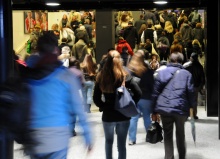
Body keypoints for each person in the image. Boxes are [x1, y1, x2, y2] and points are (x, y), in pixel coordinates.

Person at [23, 32, 93, 158]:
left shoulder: (27, 75)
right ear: (56, 50)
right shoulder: (65, 76)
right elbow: (78, 108)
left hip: (33, 137)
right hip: (58, 137)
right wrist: (87, 136)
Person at [93, 50, 142, 159]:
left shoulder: (101, 76)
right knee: (121, 145)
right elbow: (138, 93)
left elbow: (96, 98)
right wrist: (130, 103)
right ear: (120, 61)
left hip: (108, 115)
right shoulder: (124, 75)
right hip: (123, 114)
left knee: (108, 142)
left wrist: (104, 106)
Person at [151, 50, 196, 159]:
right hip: (181, 107)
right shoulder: (187, 74)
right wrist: (193, 108)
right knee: (181, 134)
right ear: (181, 61)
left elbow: (155, 93)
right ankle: (181, 156)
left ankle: (169, 157)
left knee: (167, 134)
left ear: (170, 60)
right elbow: (191, 92)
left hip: (165, 108)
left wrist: (154, 111)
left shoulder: (162, 73)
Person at [127, 51, 154, 145]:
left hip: (134, 98)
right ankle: (150, 137)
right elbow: (152, 85)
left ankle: (132, 139)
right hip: (146, 98)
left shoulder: (130, 71)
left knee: (133, 118)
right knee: (147, 117)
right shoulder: (148, 71)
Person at [183, 52, 205, 119]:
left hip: (187, 85)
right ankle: (194, 114)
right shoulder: (200, 67)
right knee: (194, 101)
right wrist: (200, 86)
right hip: (196, 86)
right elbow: (202, 78)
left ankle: (186, 114)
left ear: (191, 58)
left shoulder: (186, 66)